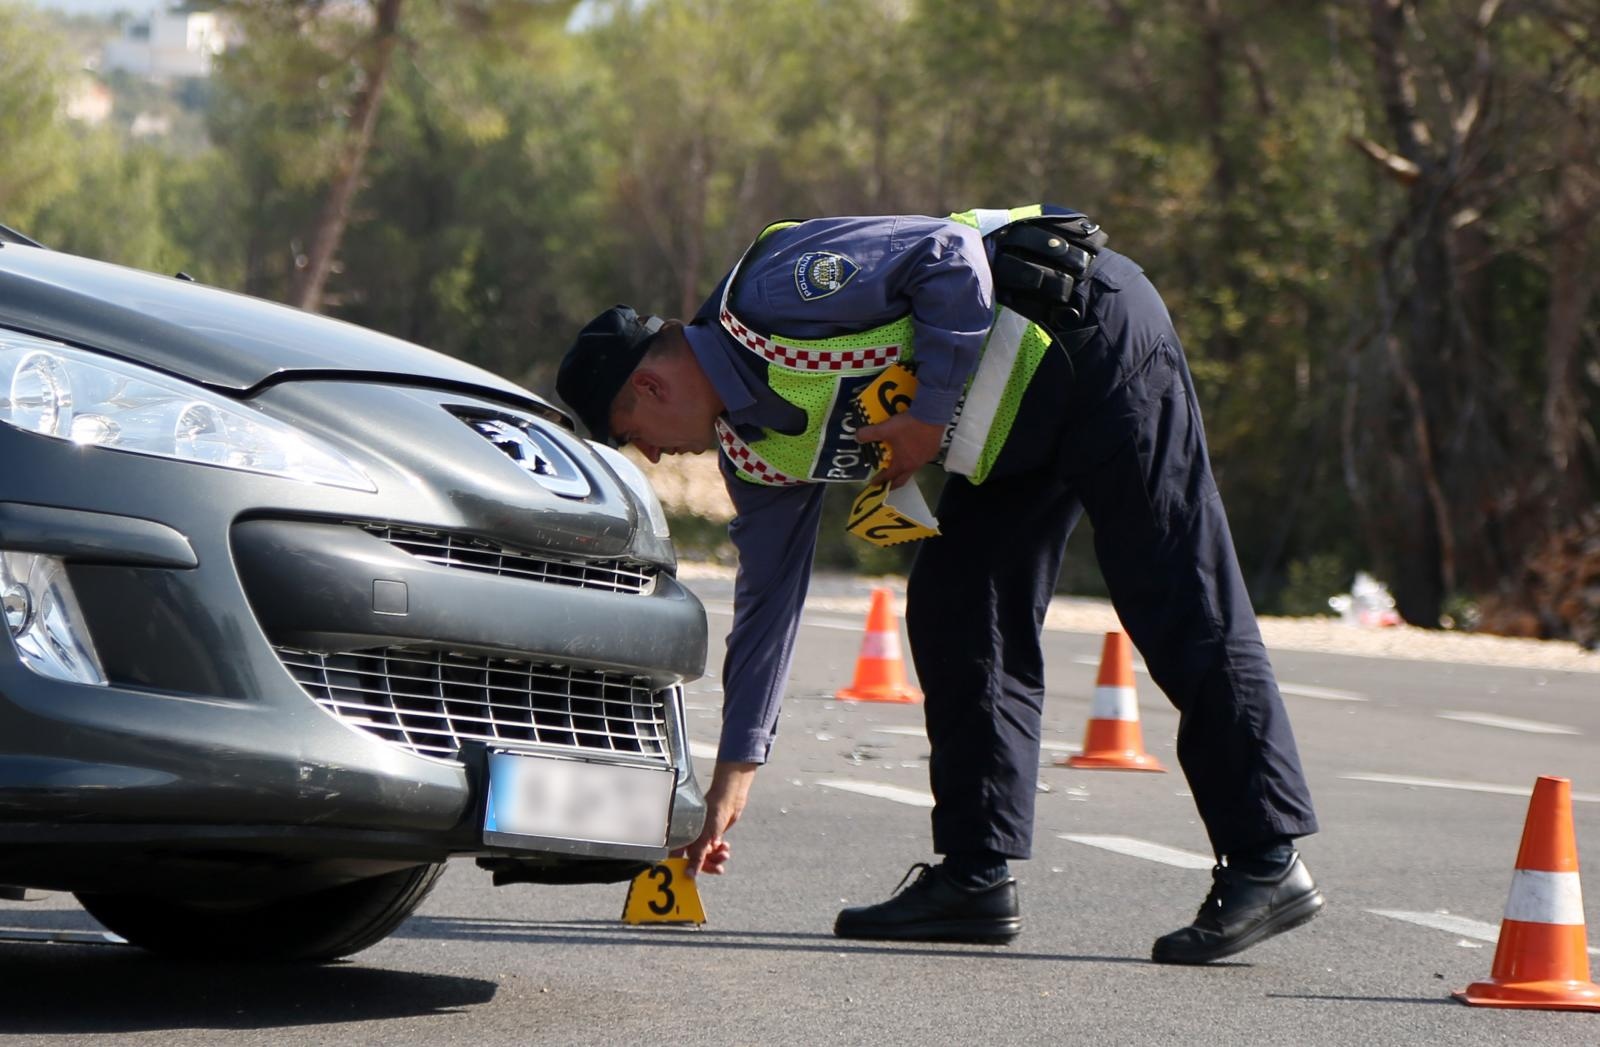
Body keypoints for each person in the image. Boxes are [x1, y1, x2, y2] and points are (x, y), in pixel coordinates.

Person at [556, 206, 1322, 964]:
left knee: (1177, 596)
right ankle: (974, 877)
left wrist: (925, 419)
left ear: (650, 387)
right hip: (1011, 428)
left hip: (1091, 342)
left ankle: (1266, 858)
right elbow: (769, 605)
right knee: (960, 605)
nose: (650, 456)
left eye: (633, 437)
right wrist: (735, 774)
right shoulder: (754, 452)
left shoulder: (774, 291)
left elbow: (951, 254)